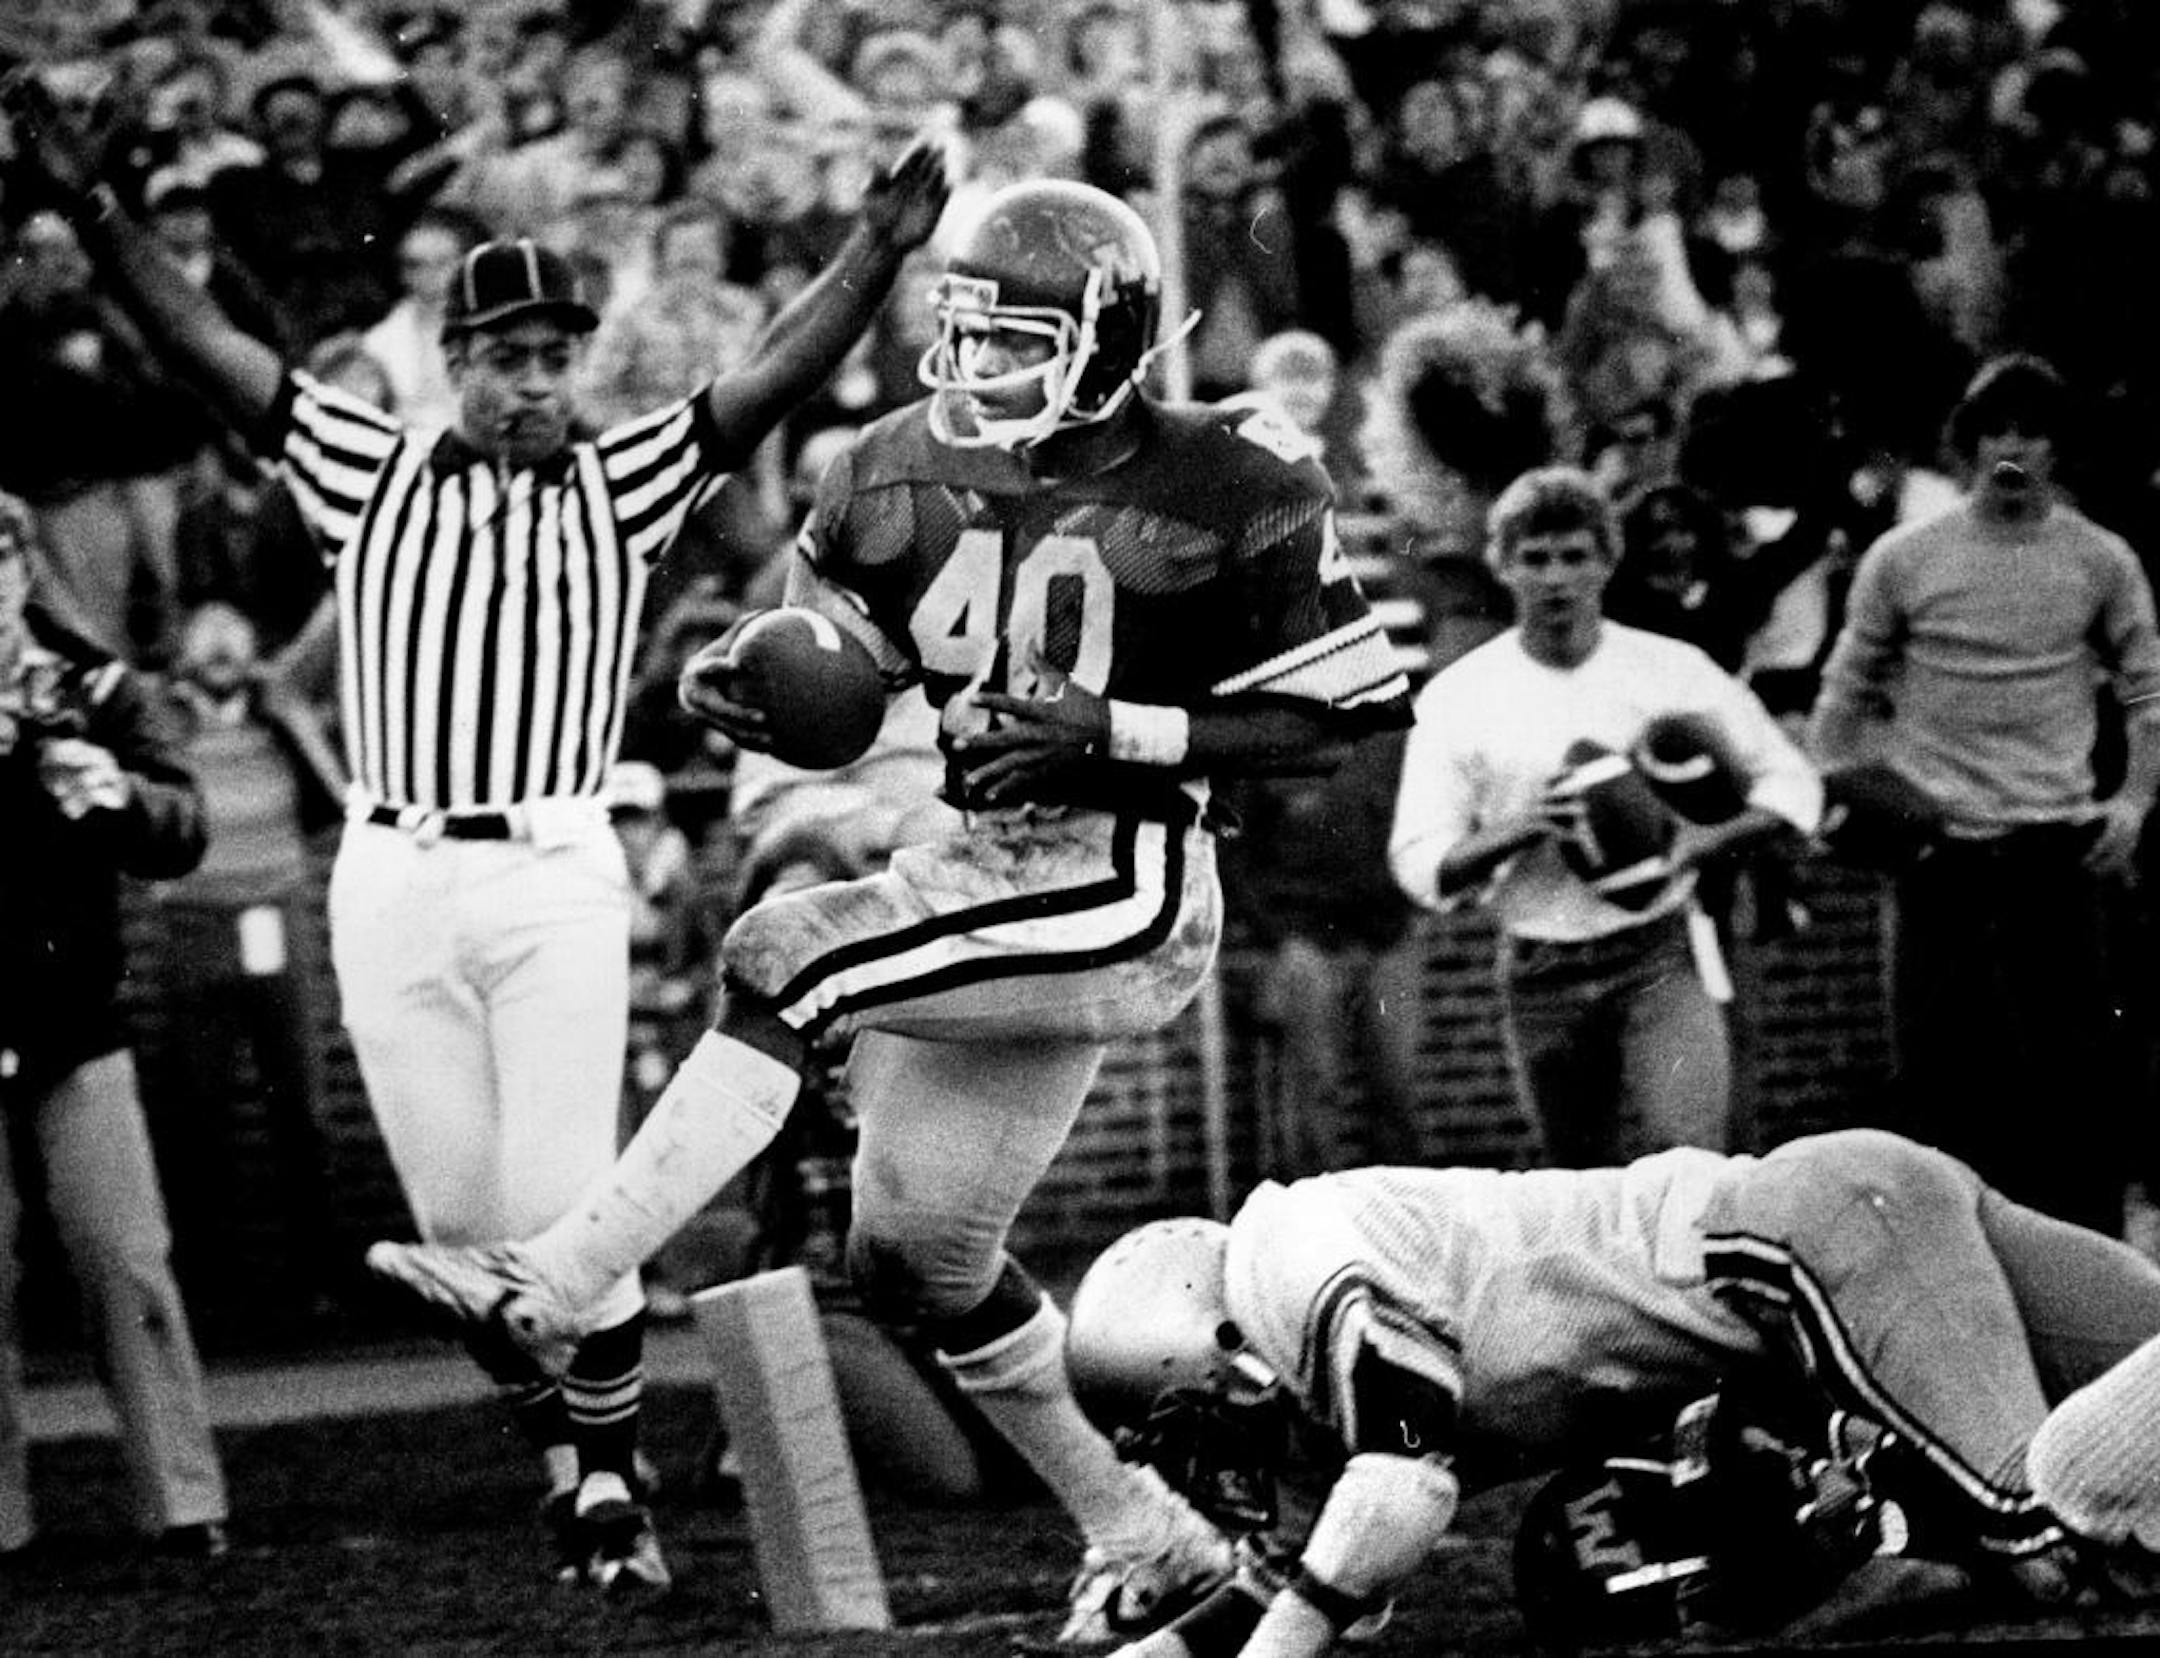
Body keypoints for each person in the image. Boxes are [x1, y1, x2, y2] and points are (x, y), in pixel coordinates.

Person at [362, 177, 1414, 1645]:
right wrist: (752, 672)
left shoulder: (1230, 476)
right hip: (982, 860)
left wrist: (1117, 730)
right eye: (966, 333)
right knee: (914, 1253)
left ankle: (558, 1274)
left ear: (1111, 342)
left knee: (784, 950)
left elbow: (1349, 707)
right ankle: (1147, 1532)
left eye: (1017, 341)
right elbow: (840, 661)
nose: (975, 367)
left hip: (1124, 874)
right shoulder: (896, 464)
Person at [0, 72, 951, 1596]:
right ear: (450, 362)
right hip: (391, 866)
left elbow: (765, 380)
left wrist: (874, 254)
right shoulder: (364, 465)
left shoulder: (619, 479)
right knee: (456, 1232)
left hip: (554, 862)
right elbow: (206, 351)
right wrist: (100, 214)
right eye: (506, 355)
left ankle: (608, 1493)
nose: (533, 382)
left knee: (564, 1206)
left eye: (554, 355)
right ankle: (580, 1456)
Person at [1065, 1128, 2160, 1657]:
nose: (1202, 1463)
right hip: (1851, 1209)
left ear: (1219, 1343)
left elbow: (1397, 1492)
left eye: (1185, 1425)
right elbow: (1297, 1580)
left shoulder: (1288, 1260)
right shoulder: (1338, 1369)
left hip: (1803, 1239)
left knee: (2055, 1540)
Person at [1807, 353, 2160, 1238]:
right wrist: (1860, 803)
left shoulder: (2100, 559)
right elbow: (1841, 701)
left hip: (2056, 849)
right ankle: (1952, 1267)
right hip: (1942, 857)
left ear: (2057, 448)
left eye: (2031, 431)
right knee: (1940, 1083)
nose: (2012, 448)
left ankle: (2091, 1277)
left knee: (2076, 1084)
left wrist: (2133, 800)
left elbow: (2149, 690)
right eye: (1995, 429)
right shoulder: (1905, 557)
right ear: (1966, 444)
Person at [1388, 466, 1821, 1167]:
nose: (1556, 578)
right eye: (1535, 558)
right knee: (1579, 1181)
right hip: (1541, 962)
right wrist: (1525, 825)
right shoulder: (1460, 696)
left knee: (1688, 1159)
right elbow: (1420, 862)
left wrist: (1704, 838)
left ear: (1607, 561)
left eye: (1574, 556)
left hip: (1656, 948)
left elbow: (1793, 784)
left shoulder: (1670, 669)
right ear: (1502, 565)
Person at [0, 492, 229, 1562]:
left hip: (73, 1017)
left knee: (125, 1259)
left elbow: (184, 828)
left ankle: (183, 1499)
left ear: (21, 569)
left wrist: (120, 794)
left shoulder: (93, 686)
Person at [154, 599, 348, 1318]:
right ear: (181, 651)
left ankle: (317, 1279)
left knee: (299, 1101)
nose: (220, 646)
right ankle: (211, 1287)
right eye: (205, 635)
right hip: (194, 923)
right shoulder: (160, 716)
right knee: (199, 1109)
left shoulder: (281, 708)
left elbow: (326, 632)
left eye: (234, 634)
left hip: (274, 916)